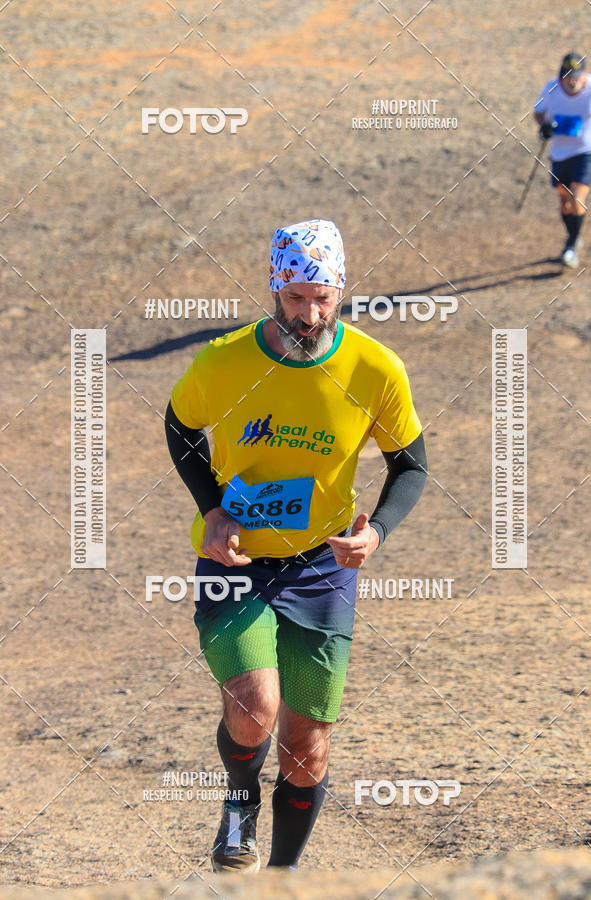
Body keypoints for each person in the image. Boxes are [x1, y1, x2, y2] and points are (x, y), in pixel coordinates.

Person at [165, 218, 427, 873]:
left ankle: (282, 880)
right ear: (274, 288)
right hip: (236, 563)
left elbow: (411, 465)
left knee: (307, 749)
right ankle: (238, 807)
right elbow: (180, 426)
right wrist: (212, 508)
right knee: (254, 707)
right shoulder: (223, 361)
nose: (309, 314)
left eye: (323, 298)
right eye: (295, 297)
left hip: (321, 567)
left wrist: (376, 531)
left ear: (341, 291)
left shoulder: (375, 368)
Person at [534, 52, 591, 267]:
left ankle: (571, 246)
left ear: (585, 75)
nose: (571, 82)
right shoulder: (551, 89)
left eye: (575, 77)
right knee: (564, 200)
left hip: (588, 151)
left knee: (577, 196)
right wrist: (544, 127)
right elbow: (538, 112)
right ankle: (573, 234)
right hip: (560, 153)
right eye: (567, 77)